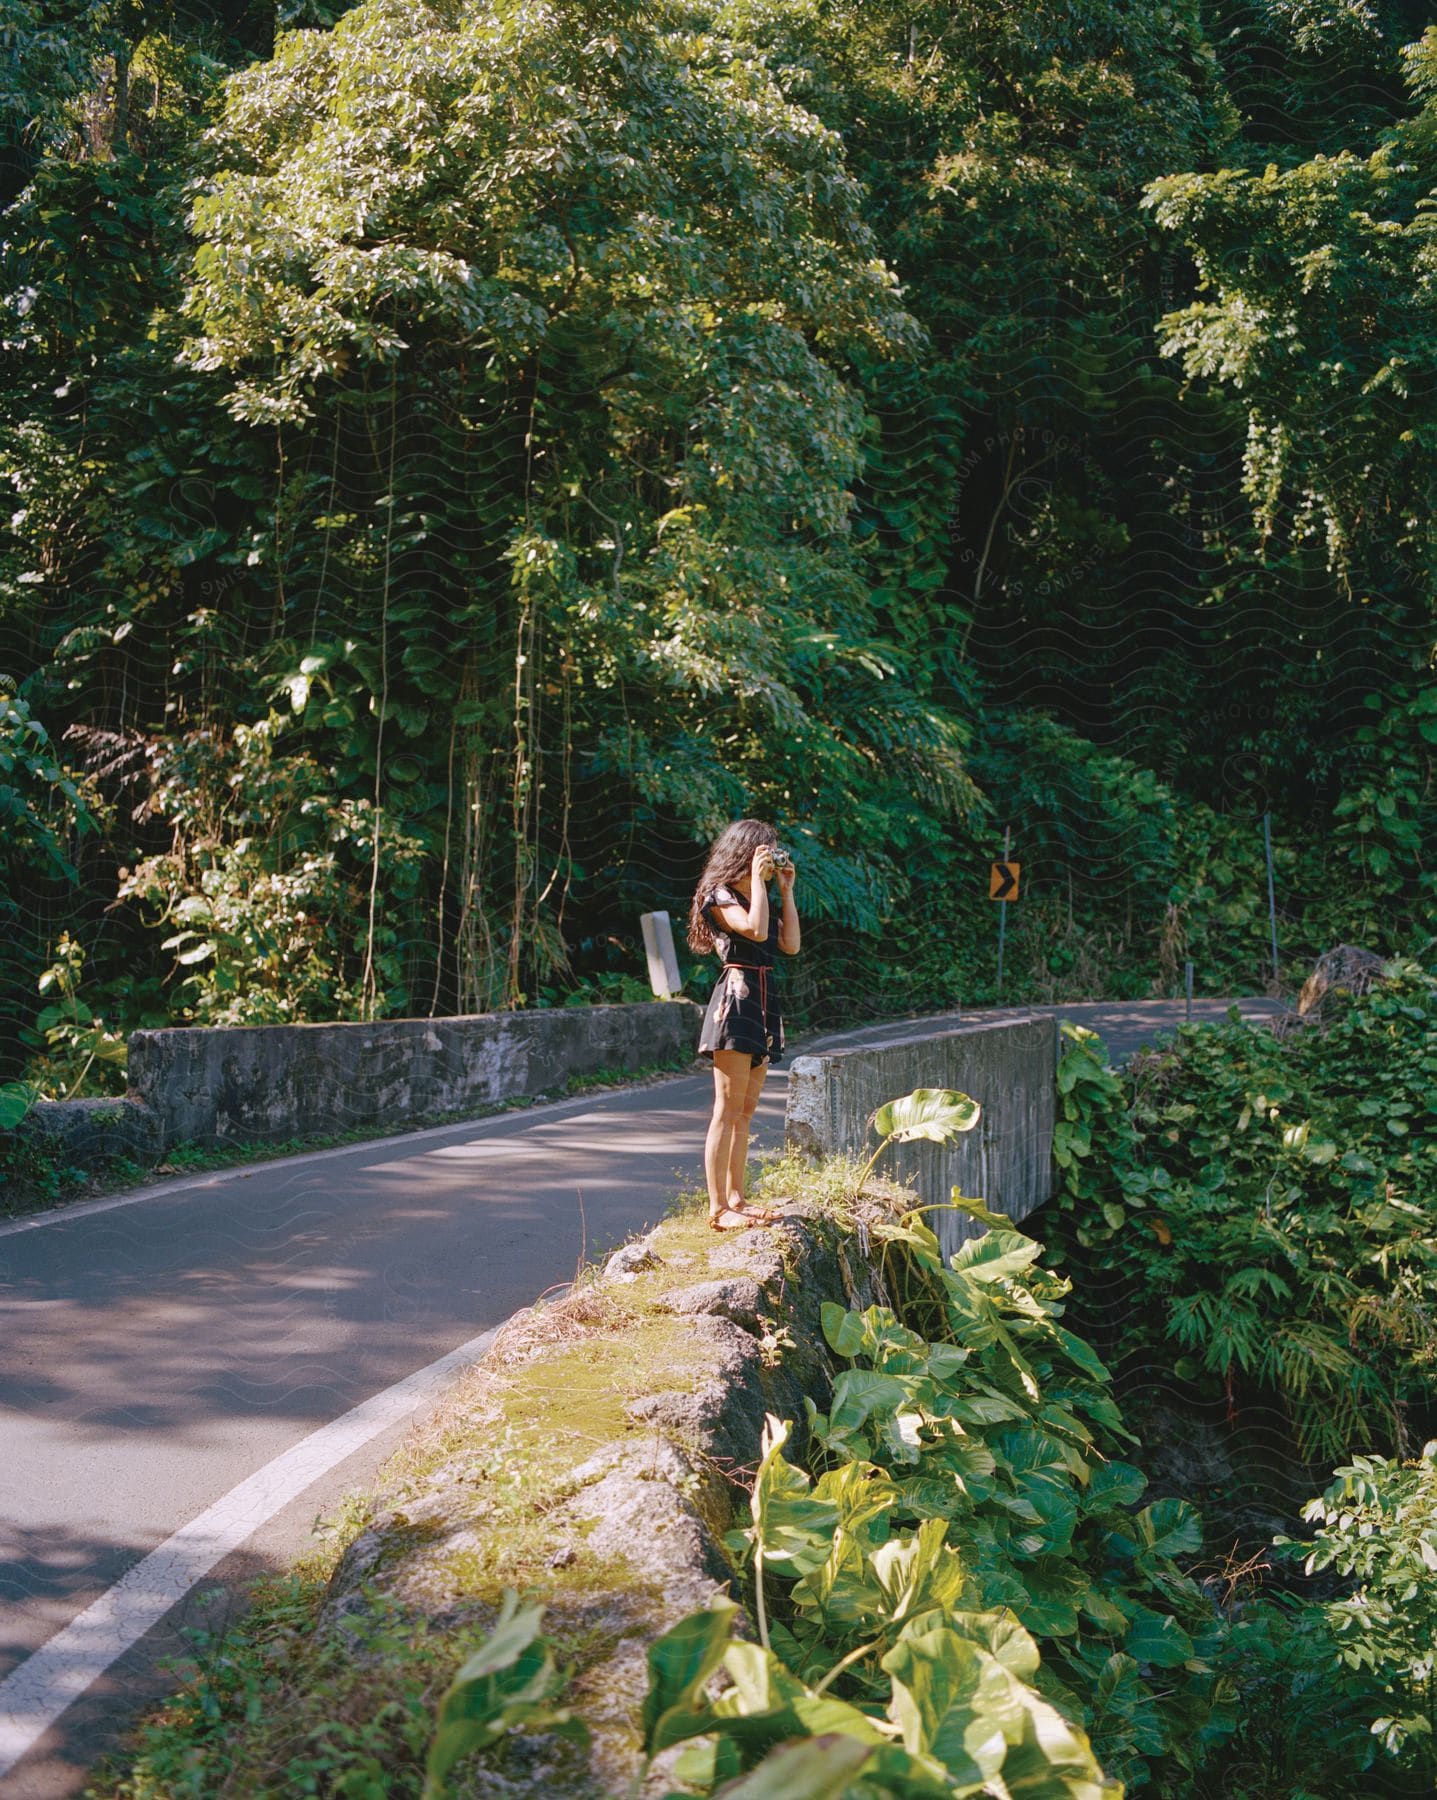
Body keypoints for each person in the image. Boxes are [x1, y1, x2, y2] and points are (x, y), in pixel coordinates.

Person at [687, 819, 800, 1231]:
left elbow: (789, 945)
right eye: (763, 853)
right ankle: (718, 1209)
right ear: (744, 851)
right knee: (727, 1107)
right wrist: (755, 879)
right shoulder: (718, 895)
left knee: (747, 1110)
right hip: (736, 1000)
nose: (769, 862)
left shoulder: (761, 897)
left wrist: (784, 890)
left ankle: (738, 1197)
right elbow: (752, 929)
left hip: (765, 1000)